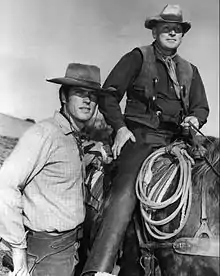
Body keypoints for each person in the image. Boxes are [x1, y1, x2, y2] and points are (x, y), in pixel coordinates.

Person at [81, 4, 209, 276]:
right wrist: (119, 128)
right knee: (125, 190)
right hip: (140, 139)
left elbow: (201, 107)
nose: (172, 33)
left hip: (178, 143)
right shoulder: (138, 57)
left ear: (182, 35)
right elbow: (109, 94)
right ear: (155, 30)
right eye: (167, 28)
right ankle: (99, 268)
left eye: (177, 29)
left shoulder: (190, 70)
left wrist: (195, 119)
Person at [0, 63, 106, 276]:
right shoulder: (45, 133)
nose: (87, 100)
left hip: (69, 249)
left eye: (92, 95)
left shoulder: (72, 138)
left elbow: (60, 171)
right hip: (47, 255)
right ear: (64, 97)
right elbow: (5, 185)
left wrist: (92, 154)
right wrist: (18, 250)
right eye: (79, 93)